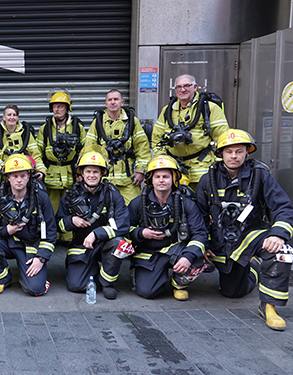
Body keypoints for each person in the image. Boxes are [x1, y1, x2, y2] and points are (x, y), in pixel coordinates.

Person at [197, 129, 293, 331]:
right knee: (231, 292)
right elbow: (199, 215)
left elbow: (282, 207)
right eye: (229, 151)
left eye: (239, 151)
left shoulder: (261, 177)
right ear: (221, 153)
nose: (234, 156)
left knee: (282, 252)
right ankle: (256, 268)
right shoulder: (208, 180)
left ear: (247, 153)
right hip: (222, 239)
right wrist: (203, 243)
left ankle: (269, 307)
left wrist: (277, 234)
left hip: (254, 234)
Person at [128, 155, 208, 300]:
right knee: (147, 292)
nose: (161, 180)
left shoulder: (187, 204)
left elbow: (200, 234)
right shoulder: (137, 203)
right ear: (150, 180)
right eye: (157, 176)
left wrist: (188, 257)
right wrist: (141, 233)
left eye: (166, 176)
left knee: (196, 259)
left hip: (177, 249)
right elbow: (125, 228)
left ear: (174, 179)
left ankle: (179, 283)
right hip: (150, 251)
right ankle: (155, 276)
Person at [56, 145, 130, 299]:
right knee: (76, 286)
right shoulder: (70, 197)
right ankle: (91, 271)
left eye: (96, 171)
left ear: (102, 173)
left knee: (119, 242)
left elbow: (123, 225)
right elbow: (58, 225)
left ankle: (107, 282)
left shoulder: (112, 195)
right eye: (88, 171)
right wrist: (71, 220)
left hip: (105, 244)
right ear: (81, 173)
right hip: (80, 246)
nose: (92, 175)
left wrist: (96, 234)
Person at [0, 154, 57, 296]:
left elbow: (51, 231)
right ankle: (3, 278)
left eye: (23, 175)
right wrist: (6, 231)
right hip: (8, 243)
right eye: (14, 176)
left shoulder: (41, 198)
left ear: (29, 176)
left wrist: (41, 258)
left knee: (35, 289)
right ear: (8, 177)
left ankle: (37, 280)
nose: (19, 180)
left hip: (31, 247)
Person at [152, 74, 229, 190]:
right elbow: (157, 139)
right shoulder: (167, 111)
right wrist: (162, 158)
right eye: (178, 87)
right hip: (175, 171)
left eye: (186, 86)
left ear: (195, 87)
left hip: (203, 170)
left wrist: (218, 166)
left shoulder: (210, 108)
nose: (182, 90)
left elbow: (223, 139)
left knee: (203, 205)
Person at [85, 89, 151, 204]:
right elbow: (89, 150)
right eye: (110, 100)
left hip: (129, 180)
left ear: (122, 102)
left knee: (131, 211)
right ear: (105, 104)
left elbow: (142, 148)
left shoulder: (132, 122)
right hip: (104, 179)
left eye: (116, 99)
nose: (113, 102)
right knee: (103, 212)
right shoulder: (98, 123)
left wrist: (141, 171)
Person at [37, 91, 86, 212]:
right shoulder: (45, 128)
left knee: (71, 211)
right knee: (51, 212)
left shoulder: (77, 127)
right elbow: (37, 152)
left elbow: (85, 151)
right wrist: (40, 170)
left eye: (60, 106)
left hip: (71, 177)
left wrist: (82, 173)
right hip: (50, 178)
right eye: (54, 106)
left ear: (67, 108)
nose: (56, 109)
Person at [0, 104, 46, 194]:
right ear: (4, 117)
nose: (12, 117)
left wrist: (41, 170)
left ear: (17, 117)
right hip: (1, 182)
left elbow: (35, 155)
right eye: (9, 115)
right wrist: (2, 167)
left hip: (21, 182)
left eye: (14, 115)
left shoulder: (26, 134)